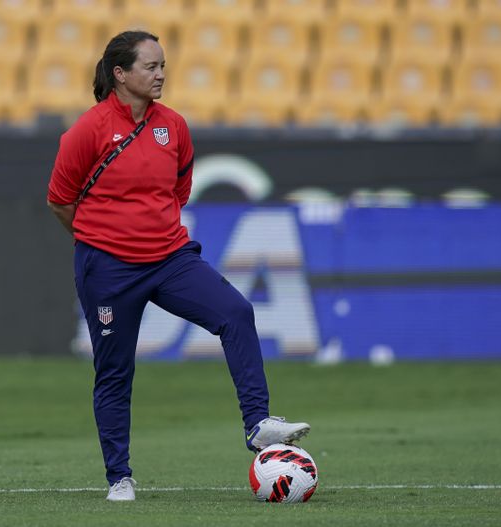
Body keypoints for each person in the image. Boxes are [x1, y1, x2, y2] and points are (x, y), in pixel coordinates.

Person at [46, 30, 310, 502]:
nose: (161, 73)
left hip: (169, 259)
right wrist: (102, 240)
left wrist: (151, 232)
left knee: (236, 312)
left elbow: (177, 190)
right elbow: (60, 201)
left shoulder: (174, 126)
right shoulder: (87, 131)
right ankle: (119, 477)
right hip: (107, 267)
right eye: (151, 66)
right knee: (115, 372)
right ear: (120, 74)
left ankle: (258, 424)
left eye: (163, 65)